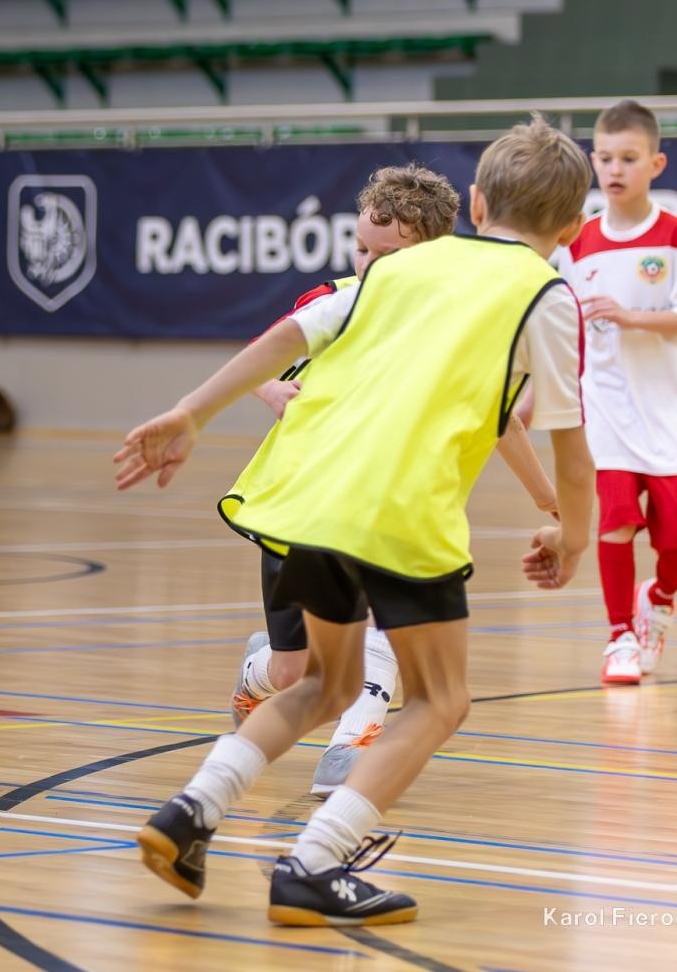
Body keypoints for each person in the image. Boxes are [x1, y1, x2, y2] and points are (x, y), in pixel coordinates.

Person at [118, 116, 595, 926]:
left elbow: (289, 334)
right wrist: (572, 534)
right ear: (575, 229)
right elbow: (571, 442)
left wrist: (193, 412)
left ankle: (190, 811)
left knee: (323, 683)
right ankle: (313, 861)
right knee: (441, 700)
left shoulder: (401, 267)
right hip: (399, 511)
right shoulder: (546, 297)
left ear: (476, 202)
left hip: (314, 496)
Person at [232, 165, 560, 798]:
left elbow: (498, 421)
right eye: (362, 249)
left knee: (380, 628)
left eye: (389, 254)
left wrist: (547, 497)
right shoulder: (335, 300)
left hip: (394, 507)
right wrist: (272, 389)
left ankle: (351, 746)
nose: (370, 263)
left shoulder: (457, 325)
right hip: (306, 502)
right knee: (295, 667)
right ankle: (258, 674)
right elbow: (259, 357)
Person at [559, 100, 677, 684]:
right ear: (592, 161)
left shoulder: (676, 237)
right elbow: (564, 327)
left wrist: (628, 315)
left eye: (629, 158)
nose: (615, 169)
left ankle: (662, 598)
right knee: (615, 522)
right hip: (609, 409)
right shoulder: (578, 243)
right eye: (605, 158)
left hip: (670, 411)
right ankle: (619, 635)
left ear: (656, 163)